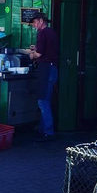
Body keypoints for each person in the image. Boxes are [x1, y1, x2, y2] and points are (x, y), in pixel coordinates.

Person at [28, 12, 59, 140]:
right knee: (46, 99)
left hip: (46, 69)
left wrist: (31, 54)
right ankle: (42, 129)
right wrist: (36, 48)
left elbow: (39, 54)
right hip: (53, 68)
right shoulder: (52, 32)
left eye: (35, 22)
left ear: (41, 21)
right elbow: (47, 49)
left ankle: (48, 131)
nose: (34, 25)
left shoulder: (42, 33)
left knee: (42, 101)